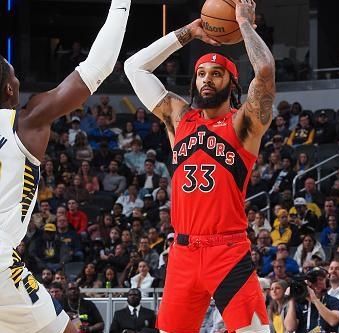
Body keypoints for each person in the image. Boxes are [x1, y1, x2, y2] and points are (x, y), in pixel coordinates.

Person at [124, 0, 275, 331]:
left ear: (232, 85)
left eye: (216, 74)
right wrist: (187, 33)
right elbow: (134, 68)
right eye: (202, 74)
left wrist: (245, 24)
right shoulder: (179, 118)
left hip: (228, 250)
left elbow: (264, 72)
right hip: (181, 251)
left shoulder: (243, 124)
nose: (207, 80)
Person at [0, 6, 129, 332]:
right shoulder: (24, 122)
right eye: (15, 75)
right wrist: (122, 4)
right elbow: (97, 68)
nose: (18, 80)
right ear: (9, 89)